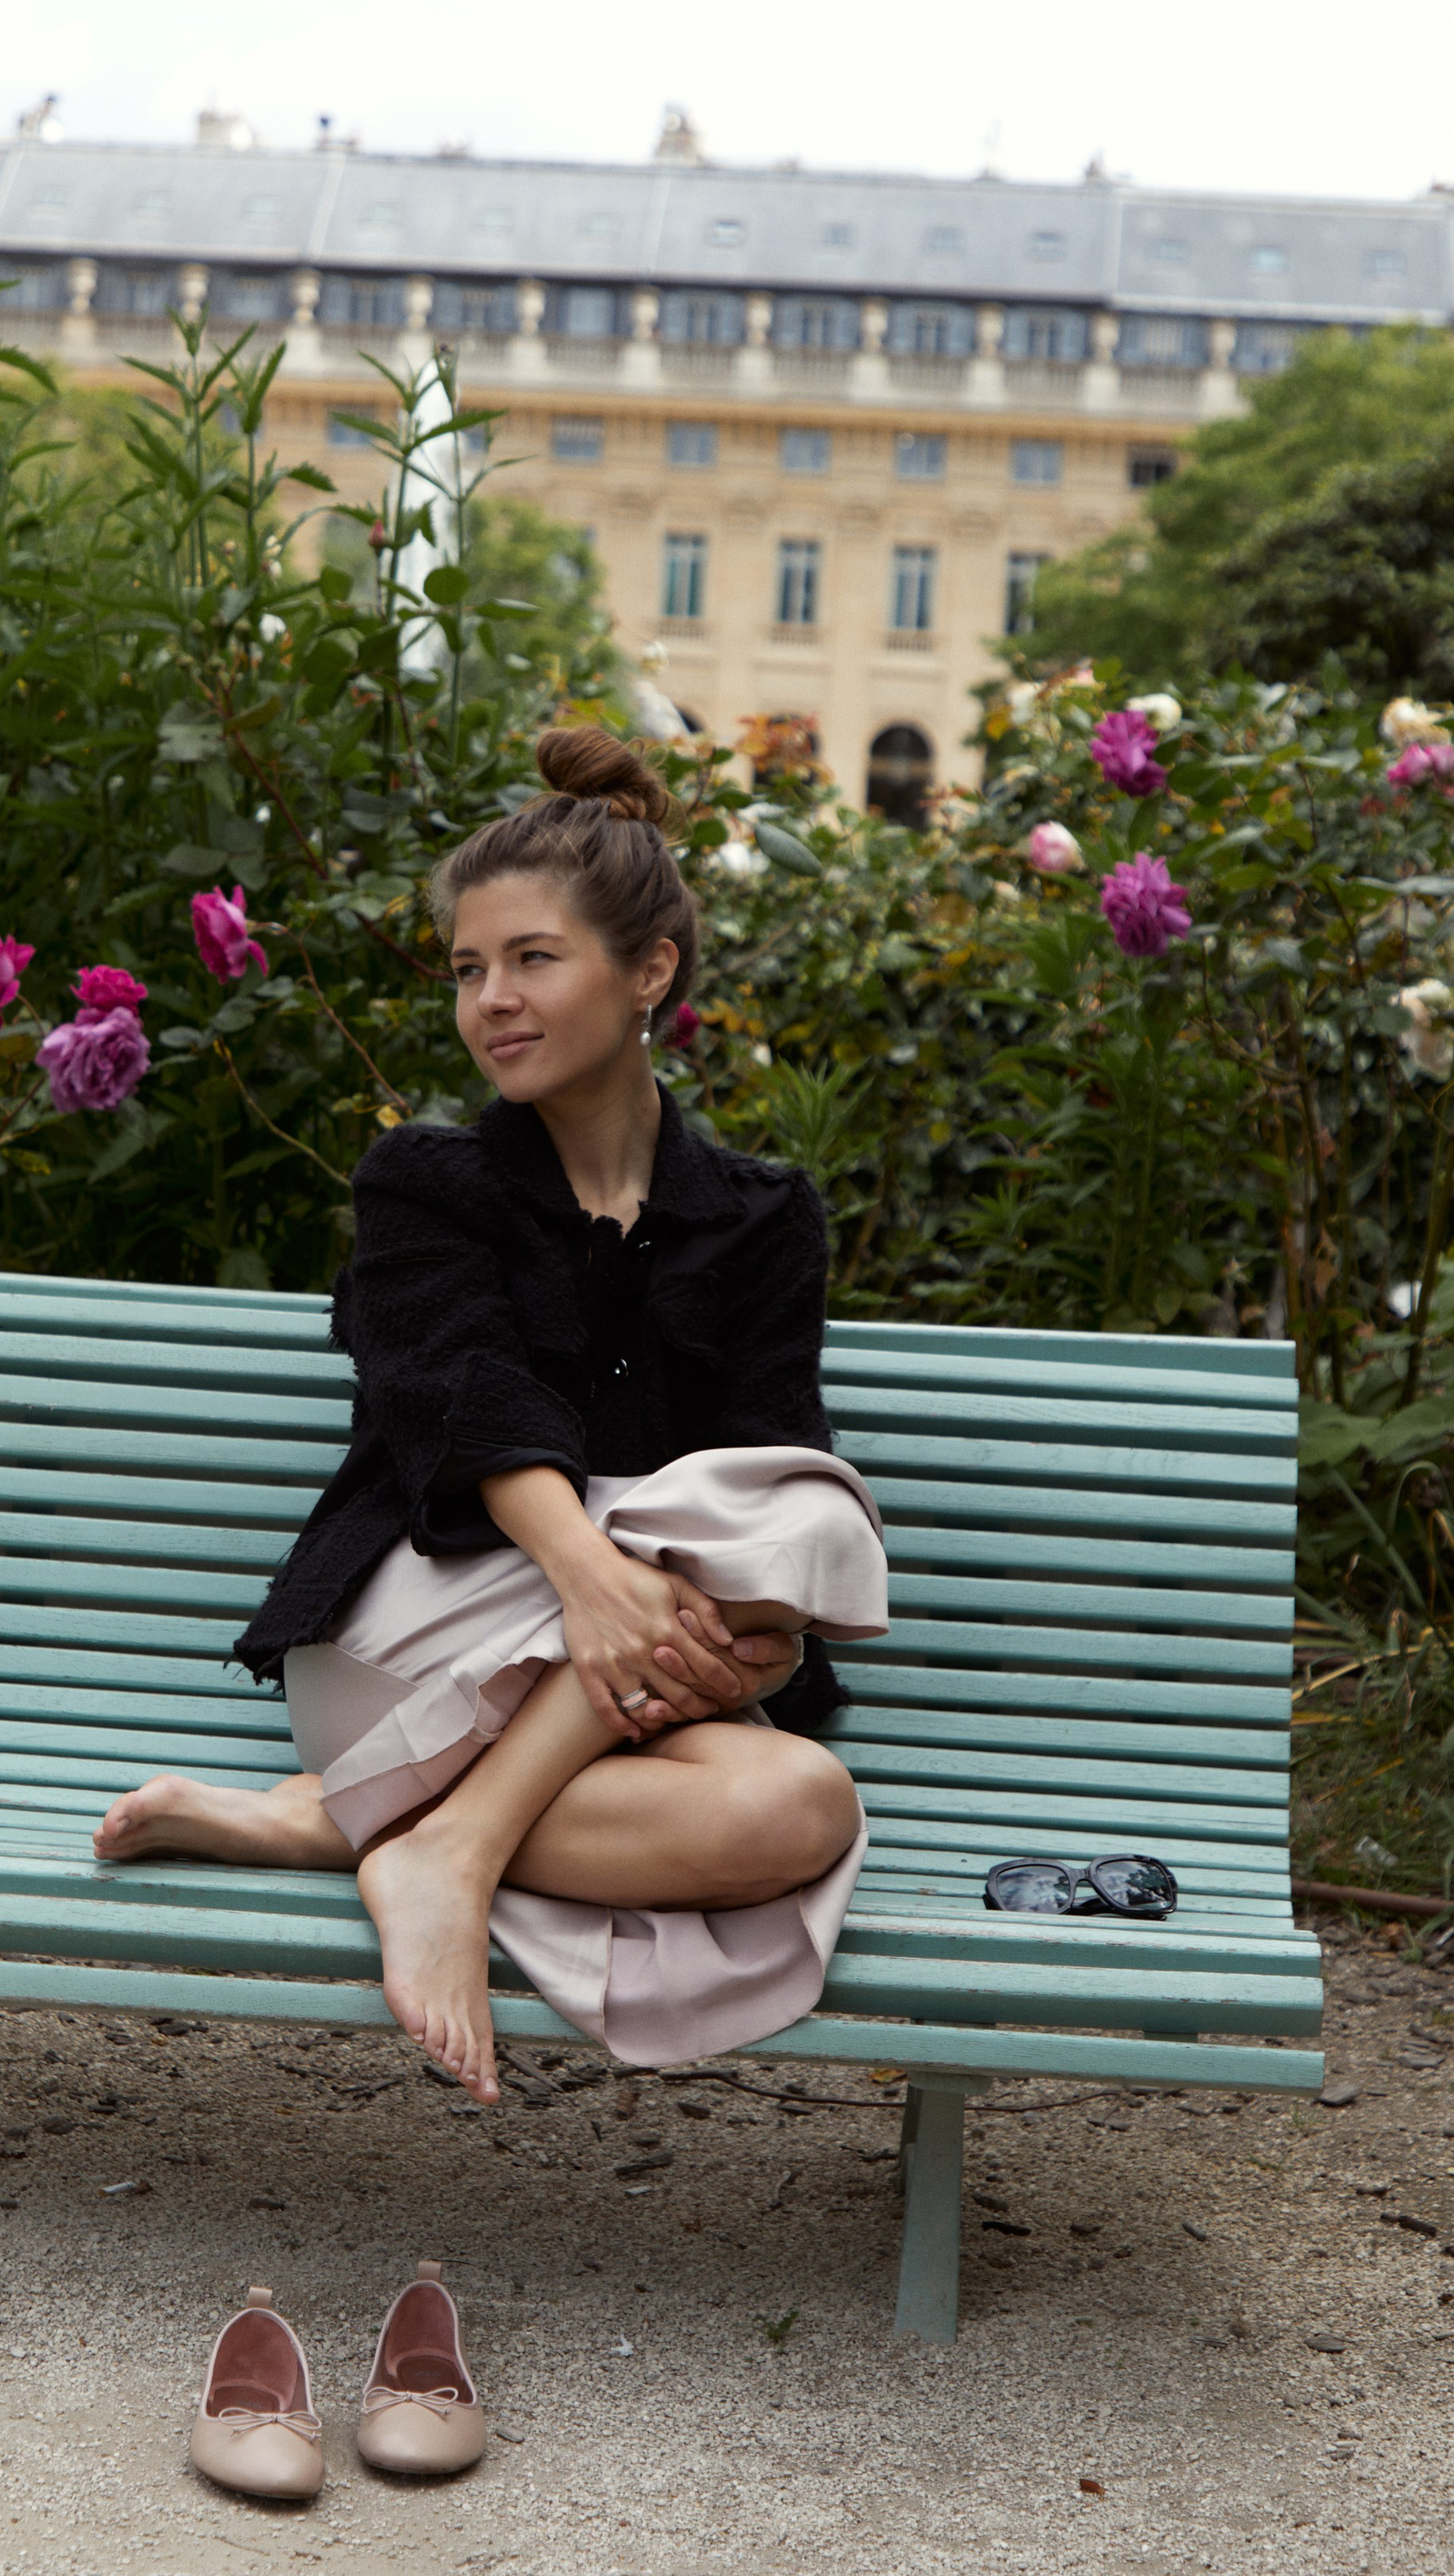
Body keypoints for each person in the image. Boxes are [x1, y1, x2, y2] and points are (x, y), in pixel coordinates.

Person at [95, 724, 887, 2104]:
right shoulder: (428, 1179)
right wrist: (590, 1576)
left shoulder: (763, 1218)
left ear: (649, 973)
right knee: (686, 1552)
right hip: (431, 1612)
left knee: (799, 1798)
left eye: (533, 960)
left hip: (649, 1655)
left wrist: (734, 1634)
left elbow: (773, 1458)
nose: (492, 1002)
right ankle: (417, 1837)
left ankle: (387, 1830)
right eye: (470, 969)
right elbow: (450, 1393)